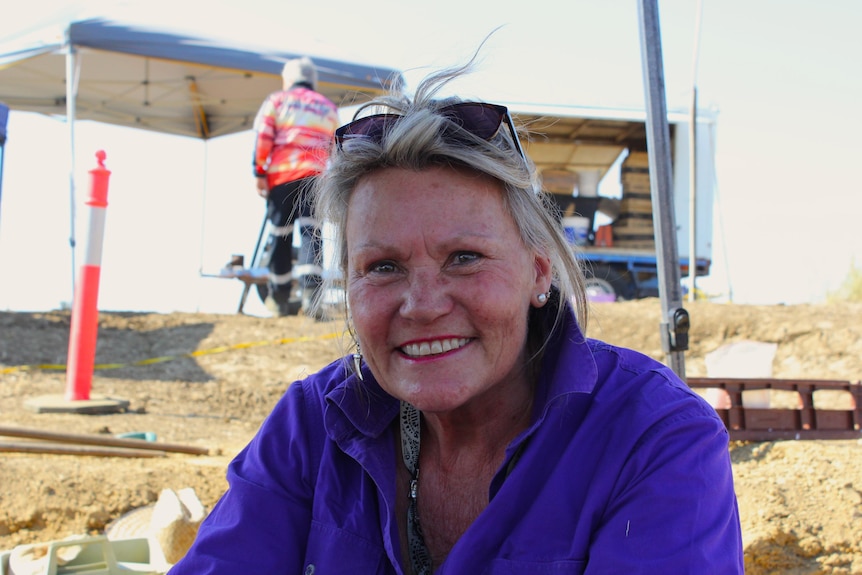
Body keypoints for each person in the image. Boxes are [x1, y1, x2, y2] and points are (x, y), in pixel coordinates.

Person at [170, 61, 744, 574]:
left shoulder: (653, 437)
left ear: (539, 273)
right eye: (384, 266)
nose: (422, 304)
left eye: (464, 258)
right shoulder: (311, 428)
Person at [251, 56, 338, 317]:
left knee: (281, 235)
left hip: (282, 176)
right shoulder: (327, 107)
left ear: (287, 80)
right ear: (313, 81)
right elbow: (334, 146)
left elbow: (263, 137)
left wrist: (258, 172)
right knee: (312, 234)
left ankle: (279, 298)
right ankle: (312, 299)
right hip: (315, 177)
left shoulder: (277, 101)